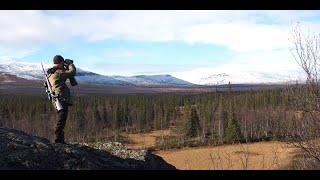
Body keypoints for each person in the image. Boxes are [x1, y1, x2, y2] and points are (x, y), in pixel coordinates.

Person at [47, 55, 76, 144]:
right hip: (61, 99)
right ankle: (57, 139)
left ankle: (60, 139)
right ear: (60, 63)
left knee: (61, 118)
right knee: (61, 119)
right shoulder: (58, 72)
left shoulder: (51, 72)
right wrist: (70, 64)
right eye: (62, 63)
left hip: (56, 99)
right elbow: (72, 72)